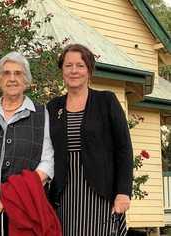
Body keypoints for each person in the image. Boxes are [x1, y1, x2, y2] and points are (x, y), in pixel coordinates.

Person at [47, 44, 133, 236]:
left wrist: (124, 191)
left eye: (80, 65)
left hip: (100, 193)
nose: (74, 70)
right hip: (64, 194)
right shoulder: (53, 107)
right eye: (68, 65)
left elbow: (124, 149)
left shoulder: (106, 101)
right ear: (62, 70)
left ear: (89, 70)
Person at [0, 51, 54, 236]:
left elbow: (48, 160)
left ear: (27, 81)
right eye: (6, 73)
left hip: (26, 203)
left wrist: (16, 193)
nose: (12, 78)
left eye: (18, 73)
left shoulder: (40, 113)